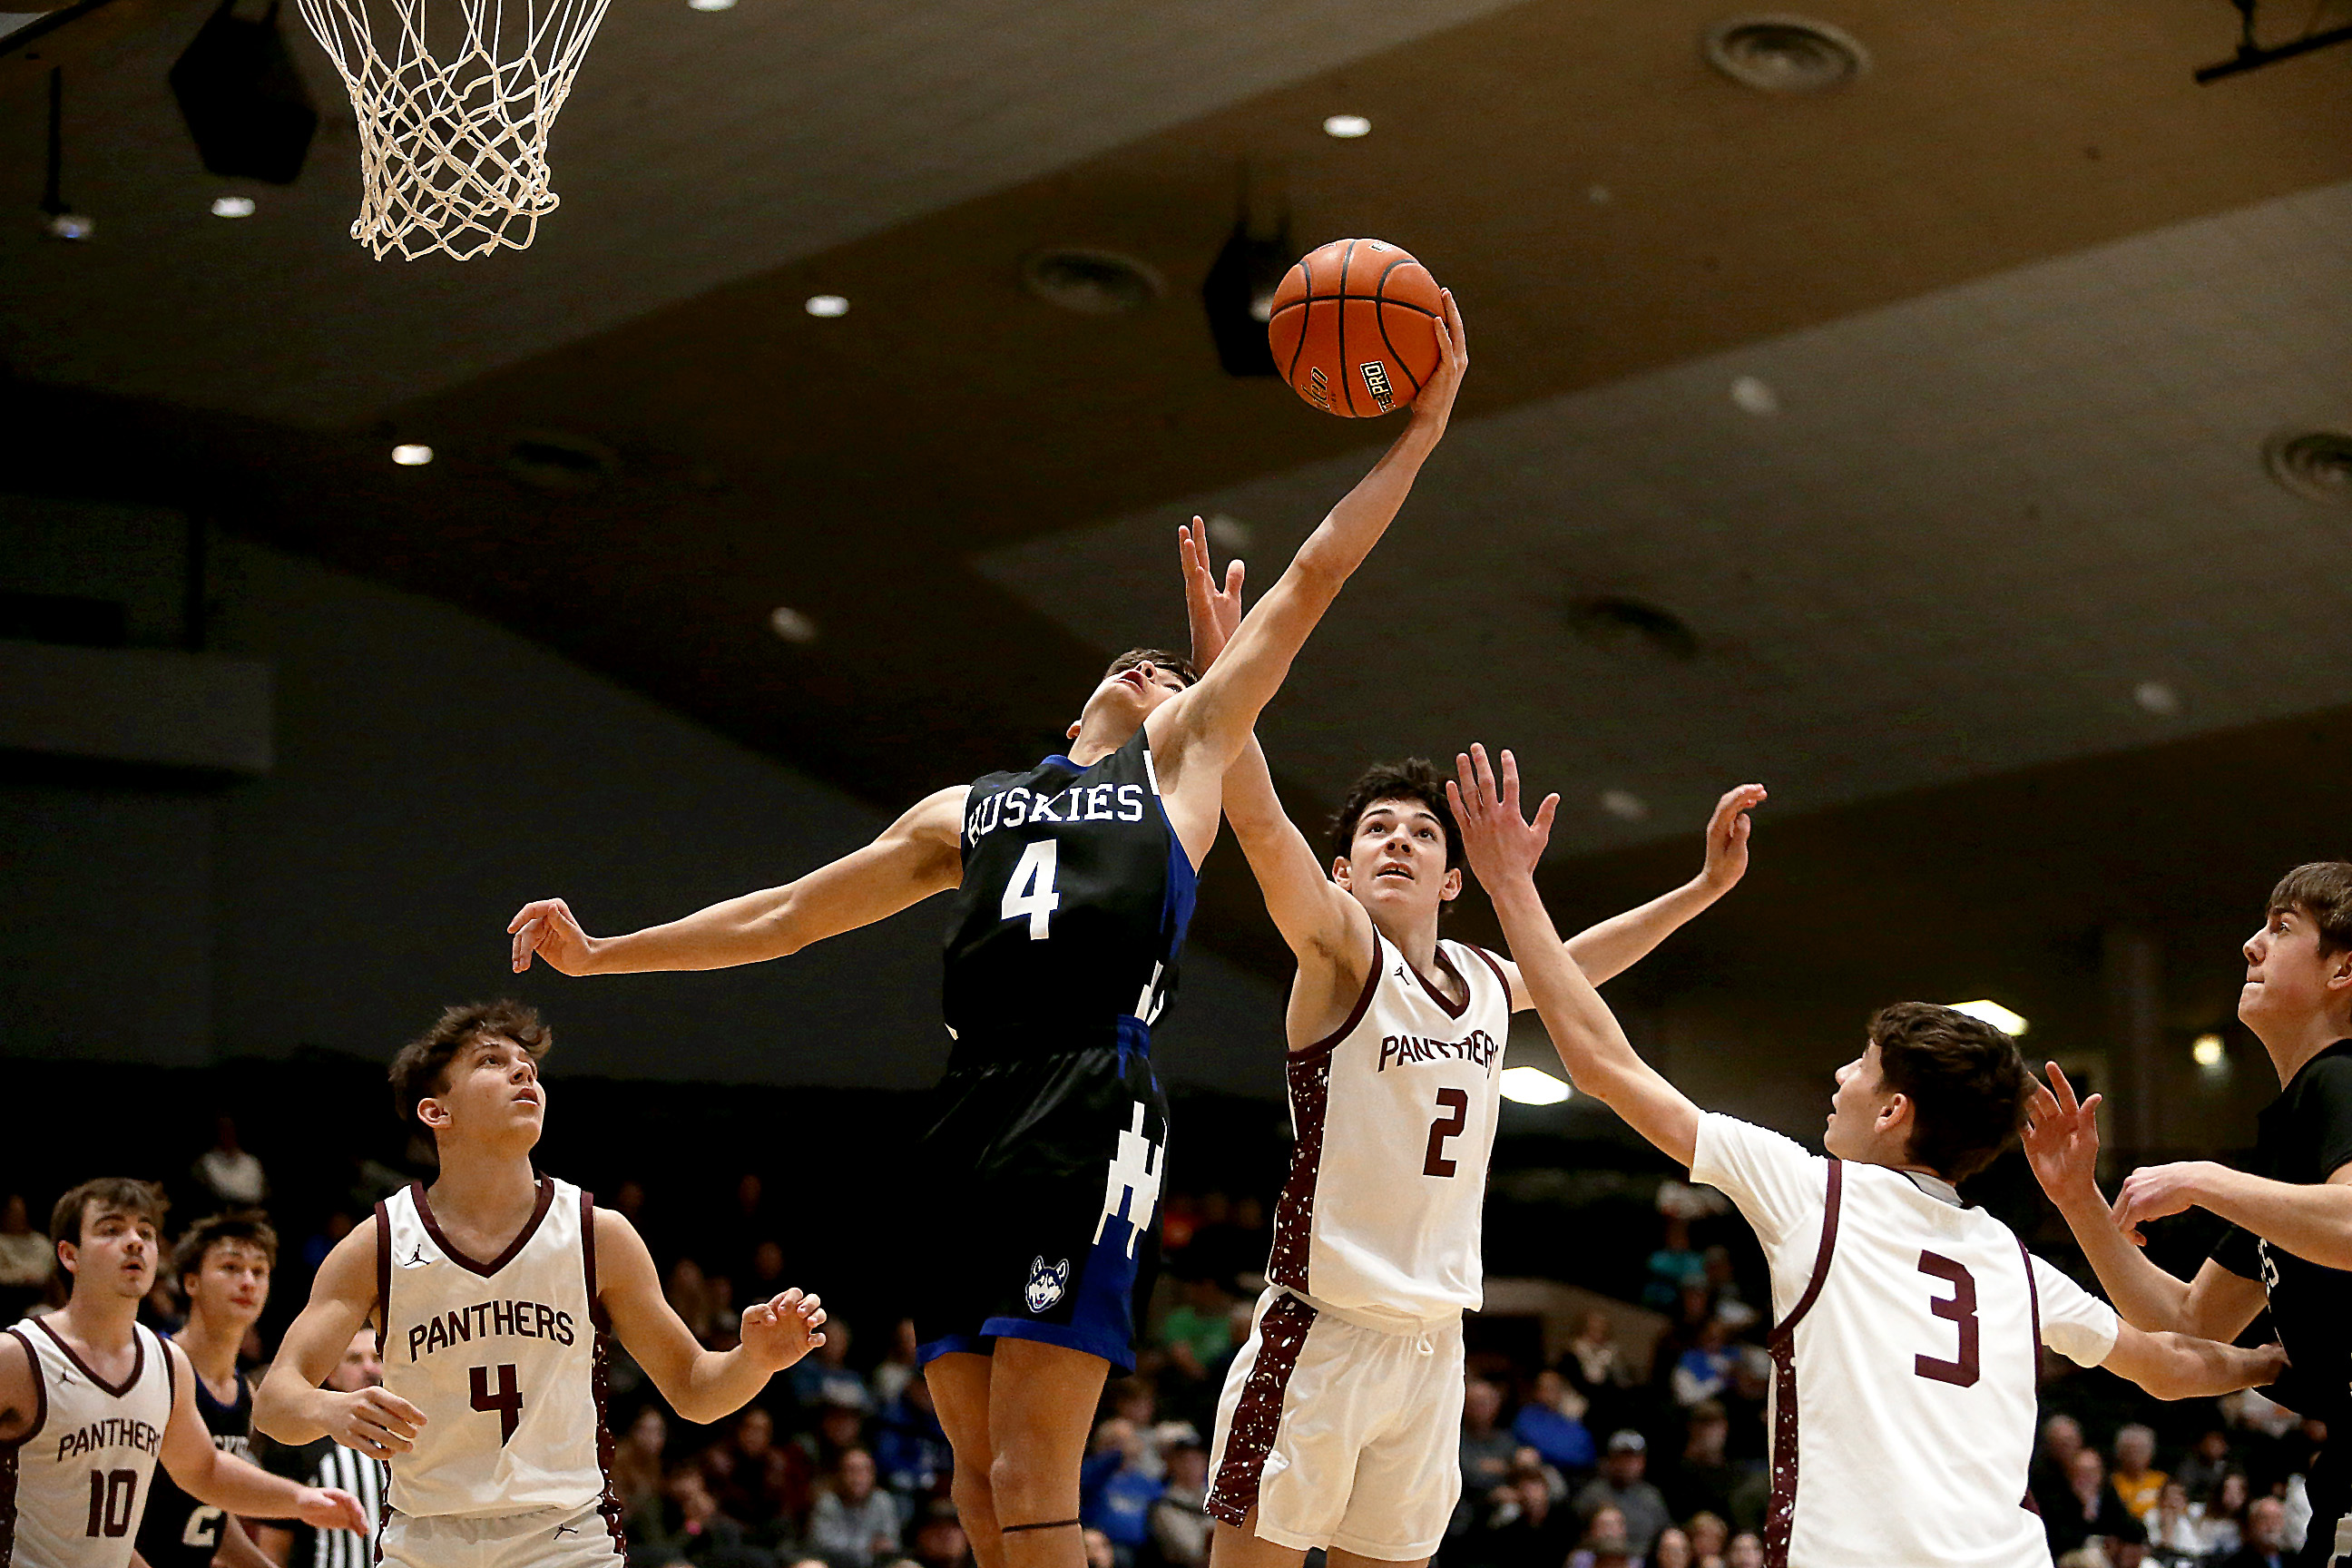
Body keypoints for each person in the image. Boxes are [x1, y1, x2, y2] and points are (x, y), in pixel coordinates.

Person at [505, 296, 1470, 1568]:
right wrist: (604, 952)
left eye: (1175, 675)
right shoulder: (968, 808)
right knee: (971, 1479)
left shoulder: (1181, 770)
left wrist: (1420, 435)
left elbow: (1312, 579)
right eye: (1134, 665)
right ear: (1075, 709)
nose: (1150, 672)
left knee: (1028, 1468)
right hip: (969, 1104)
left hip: (1089, 1096)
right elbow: (785, 915)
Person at [1446, 741, 2292, 1568]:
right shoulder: (2013, 1260)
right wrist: (2283, 1363)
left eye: (1860, 1064)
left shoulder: (1811, 1193)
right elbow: (2170, 1366)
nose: (1841, 1077)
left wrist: (1512, 885)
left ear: (1893, 1111)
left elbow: (1603, 1062)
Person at [1181, 528, 1756, 1568]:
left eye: (1422, 833)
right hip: (1321, 1330)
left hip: (1434, 1344)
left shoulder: (1485, 979)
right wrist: (1230, 685)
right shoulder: (1337, 953)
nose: (1398, 841)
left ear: (1454, 880)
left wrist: (1702, 889)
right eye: (1376, 831)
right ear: (1343, 872)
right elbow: (1261, 826)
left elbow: (1578, 964)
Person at [253, 1002, 828, 1568]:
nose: (523, 1072)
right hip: (426, 1539)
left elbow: (695, 1390)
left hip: (565, 1539)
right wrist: (327, 1408)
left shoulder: (598, 1235)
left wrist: (756, 1361)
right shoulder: (378, 1242)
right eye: (491, 1061)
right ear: (437, 1111)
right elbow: (275, 1402)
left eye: (528, 1065)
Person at [2024, 864, 2352, 1568]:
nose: (2251, 944)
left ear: (2343, 969)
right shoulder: (2292, 1148)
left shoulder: (2342, 1077)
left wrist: (2203, 1180)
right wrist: (2077, 1199)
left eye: (2282, 927)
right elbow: (2185, 1326)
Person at [0, 1179, 366, 1568]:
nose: (134, 1242)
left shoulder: (166, 1363)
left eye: (145, 1233)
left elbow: (204, 1470)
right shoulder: (17, 1356)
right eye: (111, 1230)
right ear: (69, 1255)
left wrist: (299, 1500)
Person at [135, 1211, 281, 1568]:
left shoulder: (245, 1394)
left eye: (259, 1271)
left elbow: (209, 1515)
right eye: (231, 1267)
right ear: (191, 1282)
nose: (248, 1282)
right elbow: (108, 1509)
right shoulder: (153, 1366)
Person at [255, 1327, 395, 1568]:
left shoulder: (416, 1434)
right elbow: (274, 1545)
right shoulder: (299, 1442)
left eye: (377, 1358)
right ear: (331, 1374)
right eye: (354, 1359)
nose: (369, 1369)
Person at [1568, 1435, 1670, 1560]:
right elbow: (1576, 1537)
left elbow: (1665, 1533)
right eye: (1622, 1458)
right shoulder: (1592, 1495)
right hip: (1601, 1560)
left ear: (1642, 1462)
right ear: (1610, 1460)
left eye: (1633, 1459)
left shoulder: (1652, 1497)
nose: (1628, 1465)